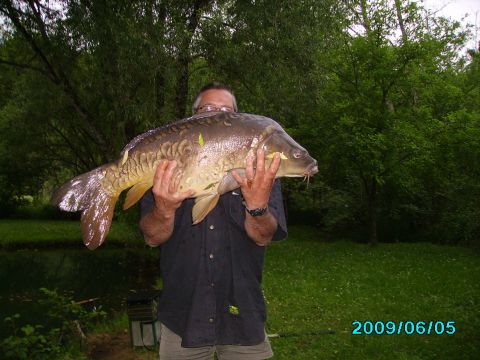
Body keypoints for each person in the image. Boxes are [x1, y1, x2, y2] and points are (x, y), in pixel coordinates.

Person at [139, 82, 287, 360]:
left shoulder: (262, 169)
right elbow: (152, 236)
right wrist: (164, 209)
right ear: (193, 116)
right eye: (207, 109)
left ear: (237, 118)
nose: (215, 114)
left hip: (243, 314)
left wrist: (257, 207)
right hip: (183, 317)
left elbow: (264, 235)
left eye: (224, 110)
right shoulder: (166, 162)